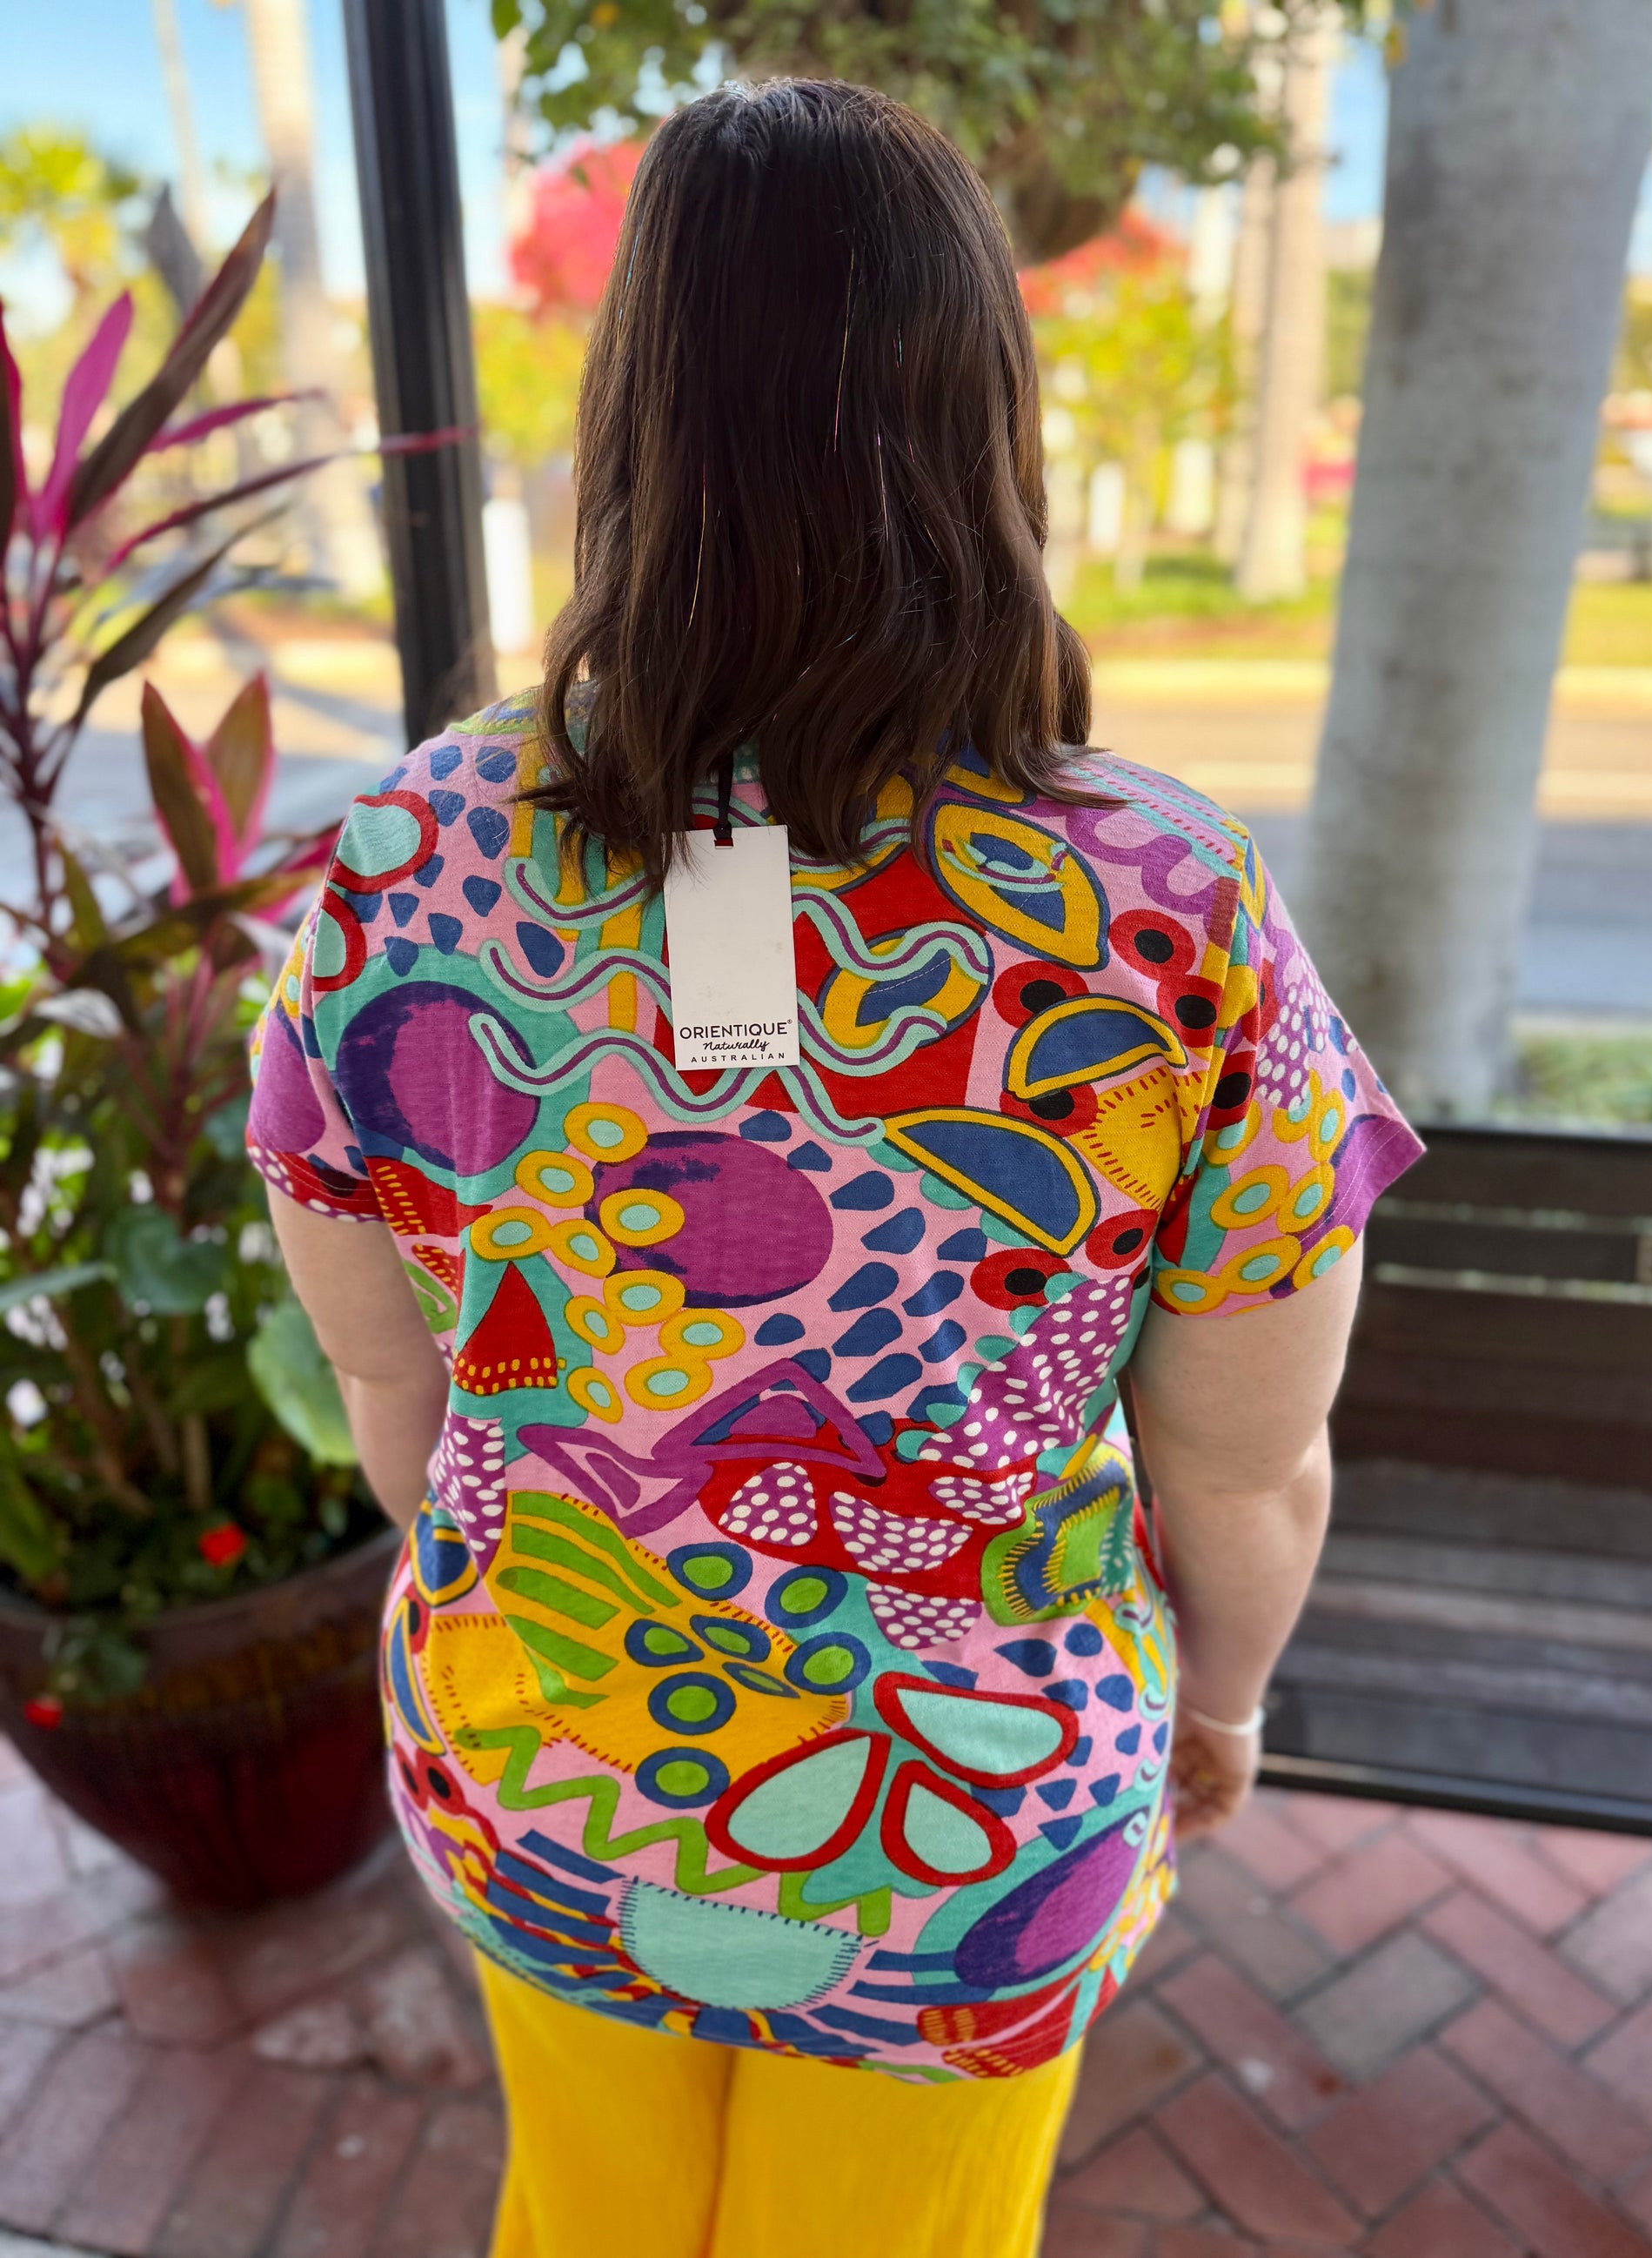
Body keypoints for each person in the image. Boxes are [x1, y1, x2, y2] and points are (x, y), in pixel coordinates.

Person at [250, 77, 1421, 2258]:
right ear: (984, 420)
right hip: (971, 1847)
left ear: (633, 412)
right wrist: (1227, 1702)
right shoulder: (1162, 909)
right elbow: (1251, 1467)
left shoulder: (404, 862)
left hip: (550, 1771)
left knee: (588, 2219)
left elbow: (392, 1389)